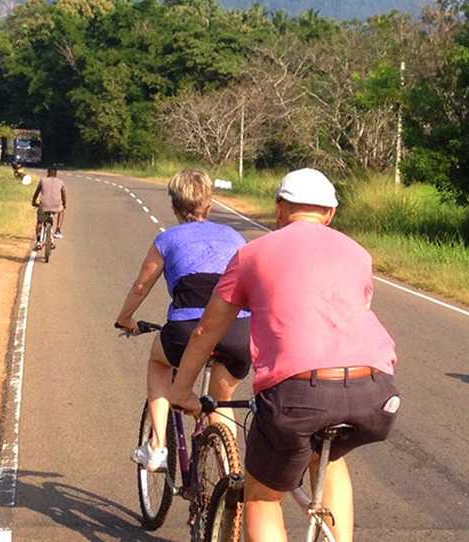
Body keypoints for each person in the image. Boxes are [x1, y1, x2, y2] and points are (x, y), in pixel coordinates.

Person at [167, 168, 399, 542]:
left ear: (279, 209)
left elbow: (207, 330)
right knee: (331, 457)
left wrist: (181, 390)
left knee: (262, 498)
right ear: (330, 214)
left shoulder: (252, 254)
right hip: (376, 390)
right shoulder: (358, 254)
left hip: (298, 394)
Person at [115, 169, 252, 471]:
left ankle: (157, 447)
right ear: (209, 205)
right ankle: (230, 475)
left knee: (158, 362)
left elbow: (141, 286)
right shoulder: (234, 236)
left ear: (174, 207)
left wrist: (125, 318)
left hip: (187, 330)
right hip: (238, 329)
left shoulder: (167, 239)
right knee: (222, 401)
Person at [31, 167, 66, 250]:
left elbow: (36, 192)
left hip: (44, 205)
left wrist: (33, 202)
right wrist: (64, 204)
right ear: (56, 174)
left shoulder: (42, 180)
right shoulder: (61, 182)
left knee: (40, 221)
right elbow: (64, 195)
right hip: (57, 205)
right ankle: (58, 229)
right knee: (62, 210)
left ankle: (39, 241)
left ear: (48, 173)